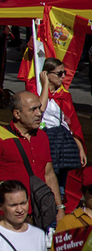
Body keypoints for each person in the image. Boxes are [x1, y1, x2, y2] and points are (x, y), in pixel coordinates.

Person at [0, 91, 62, 226]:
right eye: (33, 109)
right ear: (17, 114)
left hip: (38, 213)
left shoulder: (42, 137)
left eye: (39, 108)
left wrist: (59, 207)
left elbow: (49, 174)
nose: (39, 113)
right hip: (7, 215)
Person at [34, 58, 86, 194]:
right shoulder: (36, 91)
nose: (63, 76)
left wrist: (80, 148)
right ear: (46, 74)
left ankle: (60, 201)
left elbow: (71, 125)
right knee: (44, 178)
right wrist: (45, 85)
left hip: (61, 142)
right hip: (43, 140)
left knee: (60, 179)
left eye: (64, 73)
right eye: (59, 73)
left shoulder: (64, 96)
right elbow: (40, 109)